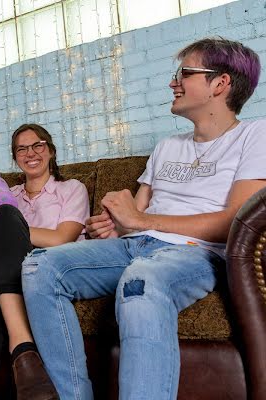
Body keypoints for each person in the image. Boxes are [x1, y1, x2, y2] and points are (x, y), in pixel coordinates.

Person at [22, 37, 266, 400]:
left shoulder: (254, 135)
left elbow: (236, 222)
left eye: (185, 73)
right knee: (37, 267)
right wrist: (114, 223)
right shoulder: (168, 146)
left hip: (195, 253)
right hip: (134, 245)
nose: (173, 82)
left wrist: (139, 221)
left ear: (220, 83)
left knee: (142, 281)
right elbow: (135, 217)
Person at [0, 124, 90, 400]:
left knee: (3, 223)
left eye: (38, 145)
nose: (30, 153)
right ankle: (17, 353)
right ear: (15, 157)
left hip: (48, 266)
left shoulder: (72, 188)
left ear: (50, 150)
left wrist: (3, 225)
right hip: (7, 271)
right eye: (21, 148)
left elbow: (62, 238)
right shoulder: (8, 193)